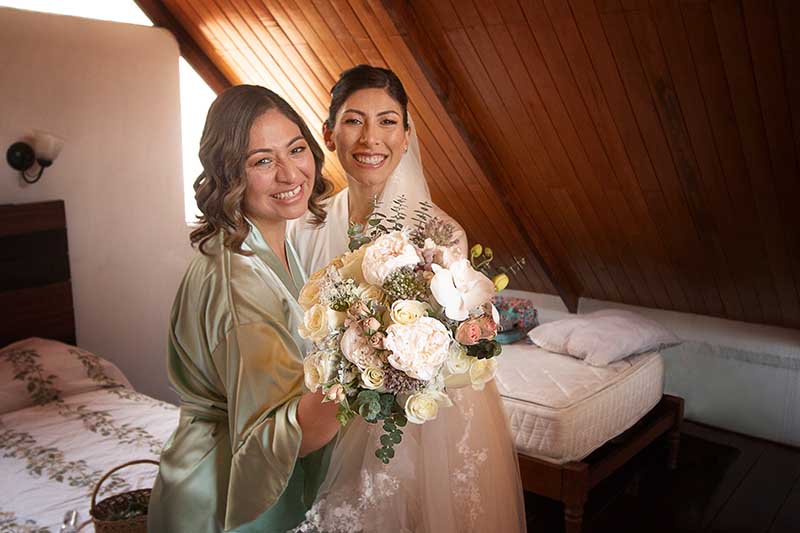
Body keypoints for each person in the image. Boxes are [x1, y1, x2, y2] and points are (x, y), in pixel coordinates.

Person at [288, 65, 526, 532]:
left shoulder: (441, 235)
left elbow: (461, 354)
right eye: (354, 120)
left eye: (388, 121)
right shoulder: (306, 226)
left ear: (407, 134)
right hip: (314, 413)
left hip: (406, 434)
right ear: (329, 134)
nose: (370, 139)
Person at [148, 85, 341, 533]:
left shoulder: (270, 246)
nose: (290, 173)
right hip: (222, 496)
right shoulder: (239, 281)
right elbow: (286, 438)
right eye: (262, 161)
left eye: (296, 149)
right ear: (229, 173)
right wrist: (376, 364)